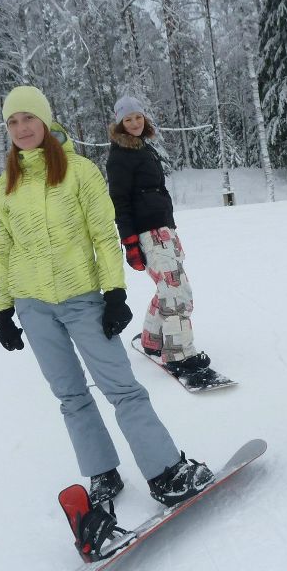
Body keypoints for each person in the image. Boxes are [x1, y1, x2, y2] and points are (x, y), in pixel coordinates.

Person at [0, 85, 213, 511]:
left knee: (123, 390)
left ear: (44, 119)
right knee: (70, 396)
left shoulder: (80, 172)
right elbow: (4, 251)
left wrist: (114, 292)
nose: (21, 128)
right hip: (32, 306)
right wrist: (3, 308)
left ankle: (166, 470)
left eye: (28, 118)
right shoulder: (6, 186)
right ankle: (102, 471)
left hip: (82, 299)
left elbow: (102, 238)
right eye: (12, 122)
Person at [105, 95, 211, 383]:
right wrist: (130, 244)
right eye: (128, 119)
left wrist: (171, 229)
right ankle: (179, 355)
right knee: (177, 293)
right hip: (146, 234)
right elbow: (120, 202)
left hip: (163, 231)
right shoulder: (120, 156)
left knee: (170, 288)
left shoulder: (142, 147)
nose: (135, 122)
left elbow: (155, 193)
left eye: (138, 116)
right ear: (120, 123)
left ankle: (153, 339)